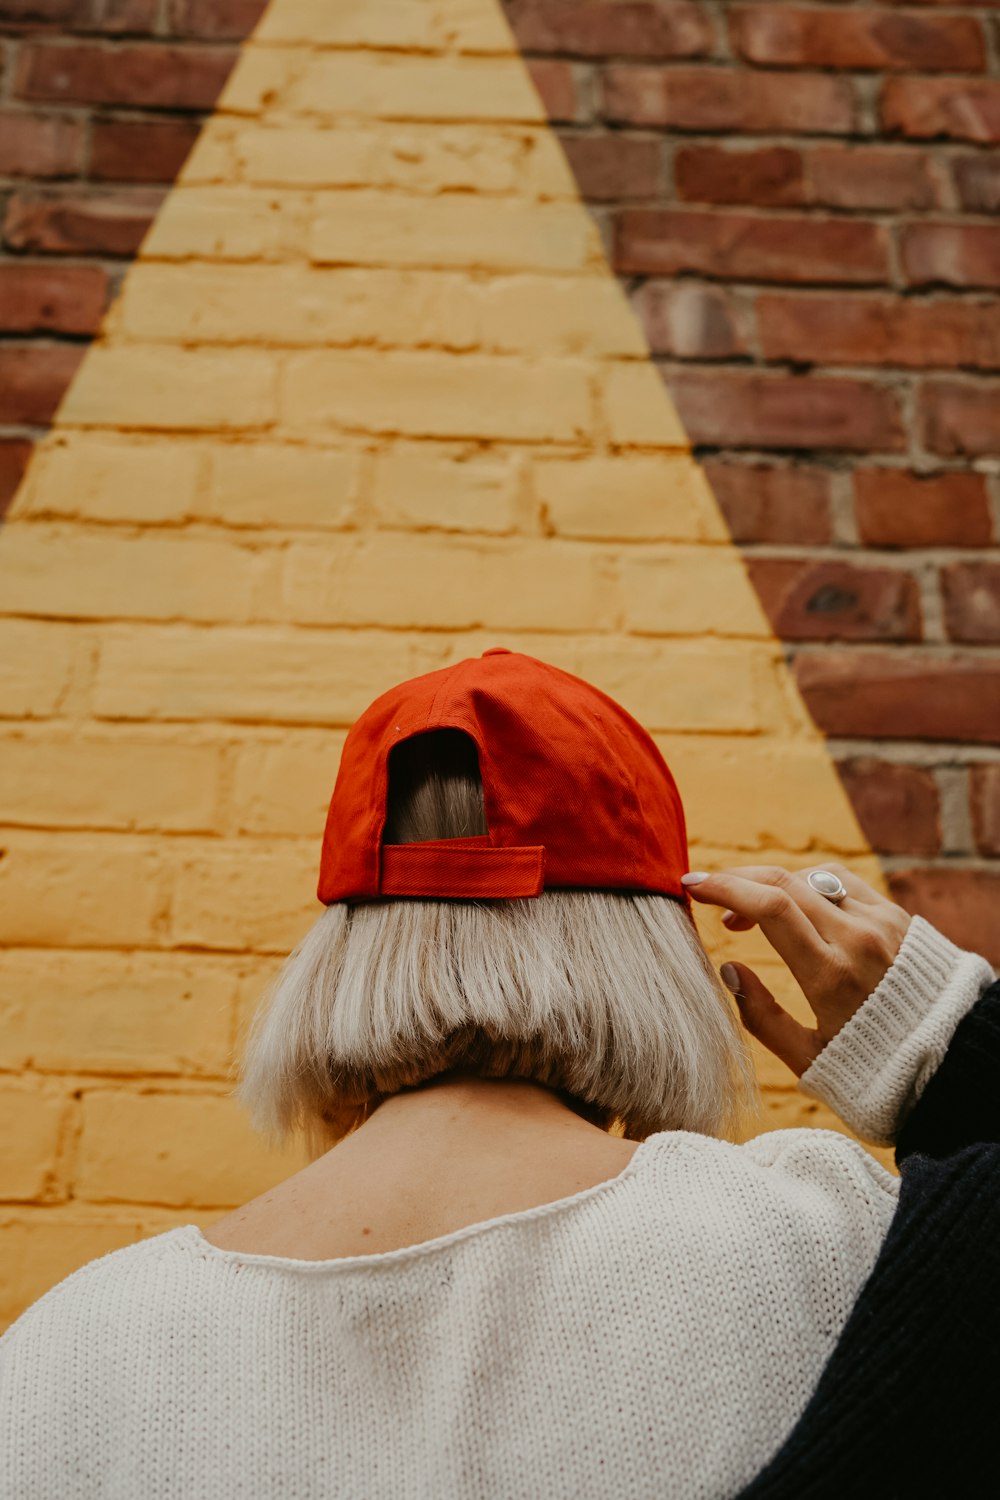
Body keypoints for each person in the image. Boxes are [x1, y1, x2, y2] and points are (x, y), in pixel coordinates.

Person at [0, 647, 996, 1500]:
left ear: (344, 952)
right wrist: (954, 1047)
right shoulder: (825, 1244)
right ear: (651, 951)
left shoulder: (65, 1353)